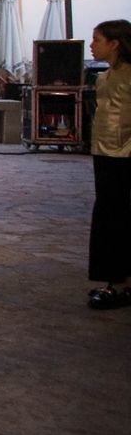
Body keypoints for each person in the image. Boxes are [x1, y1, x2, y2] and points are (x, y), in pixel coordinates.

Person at [88, 19, 131, 309]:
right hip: (104, 152)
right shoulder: (104, 77)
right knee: (107, 214)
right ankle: (112, 278)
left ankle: (121, 283)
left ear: (115, 44)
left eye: (98, 40)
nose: (92, 45)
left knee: (121, 216)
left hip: (126, 153)